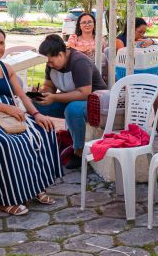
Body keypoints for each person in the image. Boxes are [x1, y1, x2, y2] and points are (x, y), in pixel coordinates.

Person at [0, 26, 62, 216]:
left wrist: (36, 114)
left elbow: (21, 96)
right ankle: (7, 199)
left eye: (1, 43)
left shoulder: (5, 68)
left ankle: (35, 186)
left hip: (8, 117)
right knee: (7, 142)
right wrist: (7, 108)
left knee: (43, 130)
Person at [35, 34, 107, 170]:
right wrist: (42, 92)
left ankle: (79, 151)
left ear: (61, 54)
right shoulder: (51, 64)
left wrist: (54, 97)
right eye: (47, 62)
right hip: (71, 101)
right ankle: (39, 144)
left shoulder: (79, 62)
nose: (49, 65)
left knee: (73, 109)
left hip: (95, 104)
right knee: (34, 105)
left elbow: (84, 93)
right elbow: (49, 86)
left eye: (51, 62)